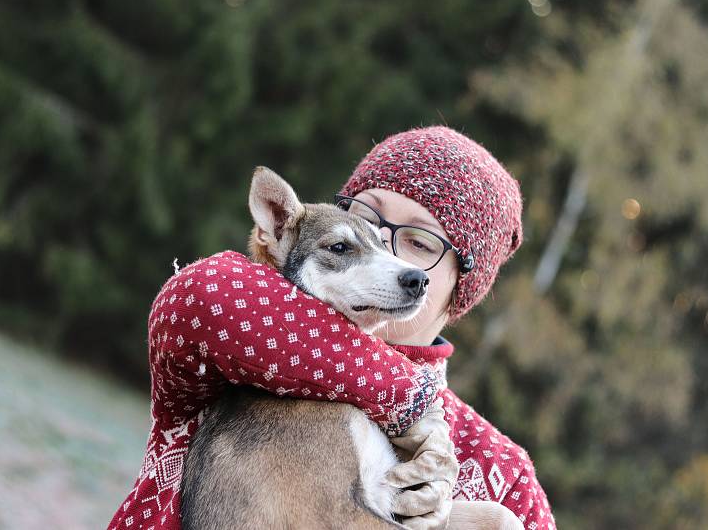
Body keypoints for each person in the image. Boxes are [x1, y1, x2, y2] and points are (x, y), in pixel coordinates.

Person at [108, 126, 555, 530]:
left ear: (462, 289)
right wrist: (408, 400)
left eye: (419, 242)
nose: (391, 258)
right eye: (362, 224)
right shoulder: (247, 343)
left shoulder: (506, 474)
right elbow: (203, 293)